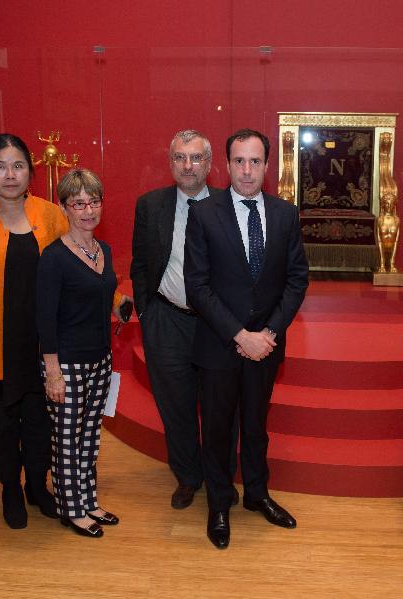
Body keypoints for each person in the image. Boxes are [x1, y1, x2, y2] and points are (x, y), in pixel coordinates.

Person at [184, 128, 309, 549]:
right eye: (239, 161)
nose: (247, 169)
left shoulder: (285, 214)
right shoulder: (204, 213)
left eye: (255, 161)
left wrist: (268, 333)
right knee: (217, 428)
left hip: (267, 347)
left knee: (256, 426)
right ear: (226, 164)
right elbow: (197, 286)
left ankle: (257, 494)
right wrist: (241, 335)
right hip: (220, 345)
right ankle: (219, 502)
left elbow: (296, 280)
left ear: (267, 165)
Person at [0, 133, 68, 528]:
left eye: (19, 165)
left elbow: (76, 265)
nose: (10, 175)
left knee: (41, 421)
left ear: (31, 171)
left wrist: (112, 301)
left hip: (43, 343)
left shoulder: (51, 215)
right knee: (0, 425)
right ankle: (10, 487)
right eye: (0, 166)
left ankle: (38, 487)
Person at [130, 129, 238, 510]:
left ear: (210, 164)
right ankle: (188, 476)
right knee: (175, 407)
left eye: (195, 158)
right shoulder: (150, 205)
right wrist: (147, 313)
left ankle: (220, 475)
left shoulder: (231, 205)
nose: (187, 165)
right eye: (179, 157)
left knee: (220, 406)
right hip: (167, 321)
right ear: (170, 162)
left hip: (216, 326)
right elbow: (140, 265)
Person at [36, 168, 128, 538]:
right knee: (66, 438)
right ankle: (70, 508)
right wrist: (53, 372)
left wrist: (119, 304)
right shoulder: (53, 257)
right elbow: (45, 318)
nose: (88, 210)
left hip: (100, 358)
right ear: (64, 208)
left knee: (90, 435)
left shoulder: (102, 250)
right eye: (78, 203)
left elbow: (99, 296)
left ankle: (88, 500)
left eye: (94, 201)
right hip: (66, 363)